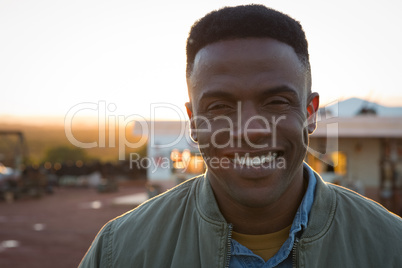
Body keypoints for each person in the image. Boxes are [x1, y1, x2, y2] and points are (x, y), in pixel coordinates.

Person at [79, 5, 402, 267]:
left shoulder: (390, 246)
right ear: (194, 122)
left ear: (309, 113)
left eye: (276, 102)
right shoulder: (120, 251)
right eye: (219, 106)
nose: (251, 129)